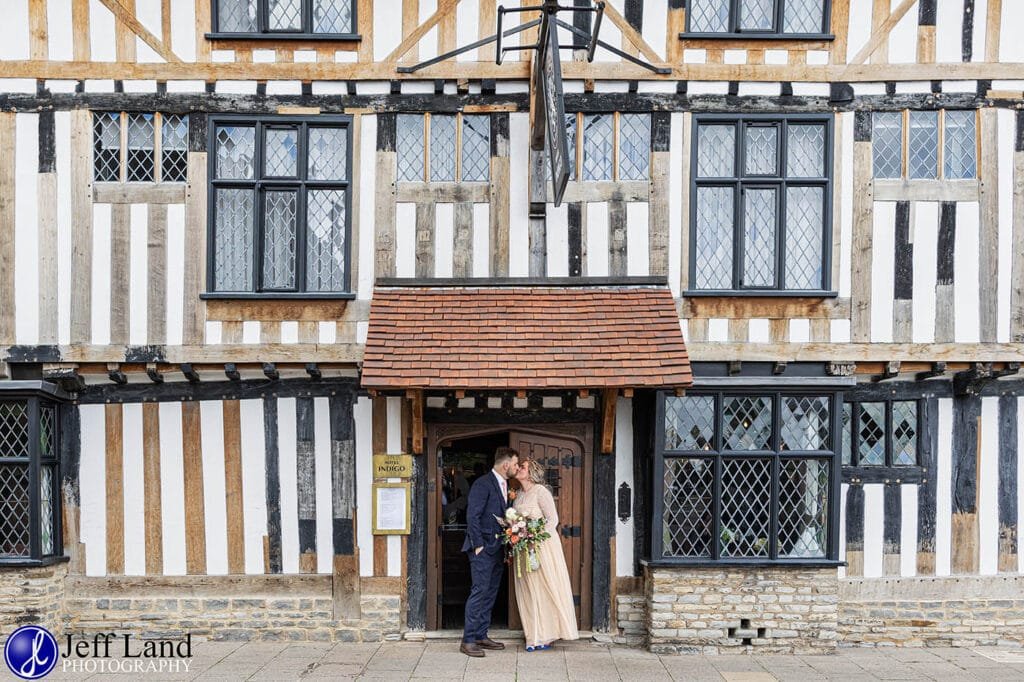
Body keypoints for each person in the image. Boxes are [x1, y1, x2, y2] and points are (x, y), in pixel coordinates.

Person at [512, 459, 579, 651]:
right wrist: (515, 532)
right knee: (528, 590)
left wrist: (535, 536)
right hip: (524, 548)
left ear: (531, 471)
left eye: (522, 467)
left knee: (544, 588)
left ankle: (546, 635)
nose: (518, 469)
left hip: (542, 546)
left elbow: (553, 520)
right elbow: (517, 520)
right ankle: (532, 635)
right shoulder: (518, 495)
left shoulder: (541, 492)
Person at [460, 446, 520, 657]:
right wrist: (478, 545)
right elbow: (472, 515)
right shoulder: (482, 483)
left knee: (490, 593)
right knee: (479, 592)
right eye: (515, 464)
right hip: (482, 549)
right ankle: (468, 641)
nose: (516, 467)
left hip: (498, 549)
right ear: (506, 465)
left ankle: (481, 635)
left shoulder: (505, 485)